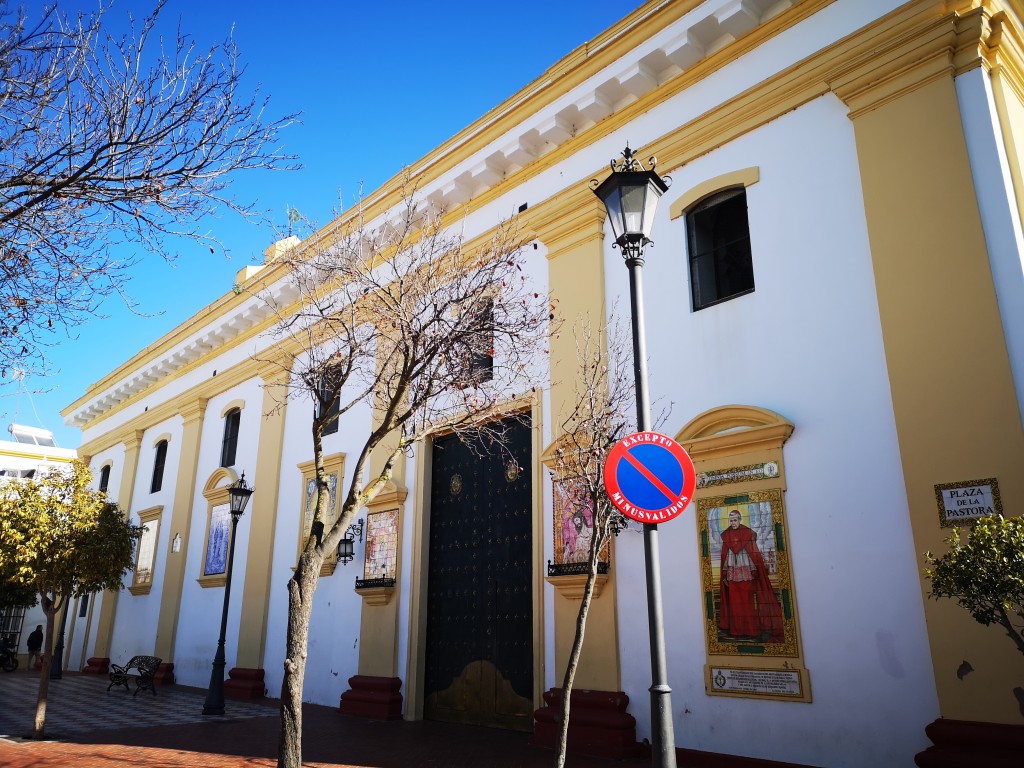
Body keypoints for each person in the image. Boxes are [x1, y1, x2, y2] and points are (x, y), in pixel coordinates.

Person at [718, 510, 784, 642]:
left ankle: (751, 630)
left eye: (735, 520)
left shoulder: (747, 533)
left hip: (746, 575)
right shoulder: (726, 535)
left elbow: (753, 554)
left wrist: (754, 571)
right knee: (735, 605)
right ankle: (737, 630)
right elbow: (725, 556)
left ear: (740, 520)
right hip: (732, 576)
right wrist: (725, 573)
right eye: (731, 520)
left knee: (748, 604)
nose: (733, 523)